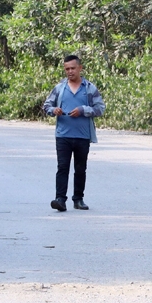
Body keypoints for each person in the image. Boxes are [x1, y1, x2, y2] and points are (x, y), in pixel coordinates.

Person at [42, 54, 105, 212]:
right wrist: (53, 110)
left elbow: (100, 108)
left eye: (73, 68)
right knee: (62, 167)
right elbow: (46, 106)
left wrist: (83, 110)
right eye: (67, 69)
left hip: (83, 135)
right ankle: (60, 199)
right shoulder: (60, 88)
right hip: (63, 135)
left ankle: (78, 199)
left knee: (80, 168)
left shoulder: (89, 88)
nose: (70, 71)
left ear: (80, 68)